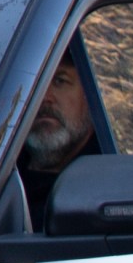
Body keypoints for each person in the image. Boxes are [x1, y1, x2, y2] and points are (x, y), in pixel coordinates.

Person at [17, 52, 100, 230]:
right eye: (36, 81)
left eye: (59, 81)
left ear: (90, 94)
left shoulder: (107, 187)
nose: (45, 96)